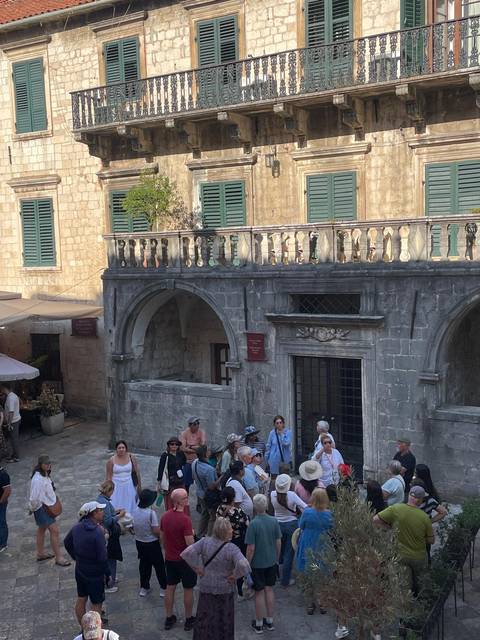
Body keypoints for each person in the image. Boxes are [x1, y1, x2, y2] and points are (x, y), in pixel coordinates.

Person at [181, 517, 251, 640]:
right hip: (225, 588)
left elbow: (187, 553)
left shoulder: (204, 542)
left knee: (205, 617)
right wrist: (235, 575)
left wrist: (197, 568)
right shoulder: (232, 549)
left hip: (206, 585)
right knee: (223, 617)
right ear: (227, 531)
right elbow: (244, 564)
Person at [373, 485, 434, 596]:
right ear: (420, 500)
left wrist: (390, 528)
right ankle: (424, 605)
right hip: (419, 557)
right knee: (422, 584)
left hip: (400, 556)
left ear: (409, 496)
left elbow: (376, 520)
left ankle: (405, 608)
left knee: (403, 588)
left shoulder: (396, 508)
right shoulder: (425, 517)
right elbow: (431, 540)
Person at [64, 501, 110, 624]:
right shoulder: (97, 533)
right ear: (93, 514)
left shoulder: (76, 527)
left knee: (81, 598)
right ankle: (93, 632)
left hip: (80, 570)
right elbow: (102, 558)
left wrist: (76, 557)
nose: (102, 512)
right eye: (100, 510)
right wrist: (108, 573)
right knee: (96, 604)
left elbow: (66, 542)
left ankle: (83, 628)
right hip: (95, 574)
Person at [160, 488, 197, 631]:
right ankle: (188, 619)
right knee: (188, 589)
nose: (187, 499)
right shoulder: (185, 520)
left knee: (170, 588)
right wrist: (193, 534)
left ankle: (169, 617)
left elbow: (162, 538)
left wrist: (167, 549)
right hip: (185, 560)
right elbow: (190, 544)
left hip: (170, 558)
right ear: (178, 501)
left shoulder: (165, 517)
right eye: (185, 498)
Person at [245, 493, 282, 634]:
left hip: (257, 564)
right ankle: (270, 621)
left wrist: (247, 563)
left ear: (255, 507)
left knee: (258, 593)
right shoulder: (273, 521)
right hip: (271, 561)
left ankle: (259, 623)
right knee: (269, 590)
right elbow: (278, 542)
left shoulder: (253, 524)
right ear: (266, 505)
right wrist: (277, 558)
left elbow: (251, 548)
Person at [295, 488, 334, 615]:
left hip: (308, 541)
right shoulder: (329, 514)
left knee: (308, 571)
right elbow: (332, 528)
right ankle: (322, 602)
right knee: (322, 572)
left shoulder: (307, 512)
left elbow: (301, 526)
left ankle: (310, 603)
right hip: (323, 542)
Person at [29, 454, 71, 566]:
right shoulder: (37, 479)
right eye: (46, 464)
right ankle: (59, 557)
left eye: (49, 463)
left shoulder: (44, 474)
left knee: (42, 528)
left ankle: (40, 553)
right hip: (42, 507)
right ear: (40, 465)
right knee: (55, 531)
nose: (48, 465)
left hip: (46, 505)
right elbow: (34, 497)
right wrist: (32, 508)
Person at [270, 473, 307, 587]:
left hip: (277, 524)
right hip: (291, 524)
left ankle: (276, 575)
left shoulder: (272, 494)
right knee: (288, 553)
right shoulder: (292, 495)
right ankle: (285, 580)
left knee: (277, 551)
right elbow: (304, 507)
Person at [216, 486, 250, 598]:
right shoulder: (238, 511)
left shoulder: (219, 509)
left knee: (226, 565)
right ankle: (240, 591)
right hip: (237, 541)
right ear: (233, 498)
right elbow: (247, 524)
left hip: (223, 540)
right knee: (238, 565)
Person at [133, 488, 167, 597]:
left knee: (144, 565)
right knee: (159, 566)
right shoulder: (151, 514)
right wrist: (162, 537)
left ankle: (144, 587)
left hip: (139, 542)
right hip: (152, 543)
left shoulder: (134, 511)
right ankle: (163, 587)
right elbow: (156, 530)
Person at [410, 474, 447, 564]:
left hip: (414, 528)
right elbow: (443, 512)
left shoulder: (411, 501)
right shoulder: (430, 500)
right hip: (425, 528)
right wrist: (430, 521)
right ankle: (427, 565)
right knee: (426, 549)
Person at [96, 481, 124, 593]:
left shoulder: (100, 499)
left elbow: (107, 514)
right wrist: (120, 516)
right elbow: (108, 521)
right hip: (110, 533)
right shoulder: (105, 503)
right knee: (111, 557)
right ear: (110, 490)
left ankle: (110, 577)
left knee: (109, 557)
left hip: (107, 532)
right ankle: (109, 583)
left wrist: (115, 512)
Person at [106, 440, 140, 515]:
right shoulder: (111, 460)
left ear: (126, 448)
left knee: (130, 503)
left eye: (123, 447)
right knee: (116, 503)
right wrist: (108, 489)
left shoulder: (132, 457)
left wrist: (139, 486)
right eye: (119, 448)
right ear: (116, 449)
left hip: (129, 485)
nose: (121, 449)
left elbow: (137, 472)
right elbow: (108, 476)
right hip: (116, 486)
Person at [192, 445, 219, 537]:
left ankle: (199, 534)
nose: (210, 451)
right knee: (212, 517)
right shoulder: (209, 469)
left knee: (204, 514)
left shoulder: (194, 462)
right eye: (208, 450)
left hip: (200, 493)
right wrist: (222, 477)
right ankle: (209, 536)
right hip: (208, 496)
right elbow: (211, 486)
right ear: (205, 454)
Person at [157, 437, 187, 512]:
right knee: (170, 503)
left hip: (180, 481)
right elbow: (160, 469)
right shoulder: (165, 456)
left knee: (181, 501)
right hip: (170, 483)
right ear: (169, 445)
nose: (174, 446)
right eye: (172, 444)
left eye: (176, 444)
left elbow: (184, 463)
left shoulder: (181, 454)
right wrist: (159, 482)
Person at [180, 417, 207, 492]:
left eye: (198, 423)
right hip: (188, 461)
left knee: (202, 482)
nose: (197, 425)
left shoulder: (201, 432)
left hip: (199, 460)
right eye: (195, 424)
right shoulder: (184, 433)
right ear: (190, 425)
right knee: (186, 482)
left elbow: (203, 447)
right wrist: (197, 449)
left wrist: (190, 446)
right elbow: (183, 448)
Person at [1, 382, 21, 462]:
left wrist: (9, 423)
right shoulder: (12, 396)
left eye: (1, 388)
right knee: (13, 439)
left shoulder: (11, 398)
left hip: (13, 421)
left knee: (14, 439)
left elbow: (11, 412)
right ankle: (14, 455)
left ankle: (16, 457)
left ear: (4, 388)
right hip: (15, 420)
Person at [0, 464, 11, 552]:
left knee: (1, 521)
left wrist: (1, 502)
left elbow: (7, 491)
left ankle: (3, 544)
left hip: (1, 503)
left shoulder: (3, 475)